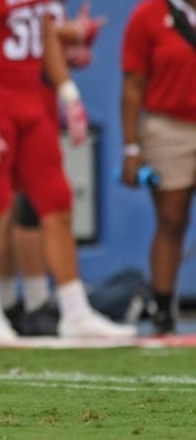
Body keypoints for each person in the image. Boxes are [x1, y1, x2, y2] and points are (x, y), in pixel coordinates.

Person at [0, 0, 136, 339]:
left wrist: (68, 91)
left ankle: (75, 311)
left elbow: (45, 33)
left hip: (31, 97)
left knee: (57, 200)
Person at [0, 0, 106, 336]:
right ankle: (18, 302)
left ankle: (36, 301)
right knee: (11, 205)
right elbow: (10, 32)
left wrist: (68, 51)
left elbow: (41, 40)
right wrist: (66, 34)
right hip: (8, 99)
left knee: (46, 201)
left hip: (40, 101)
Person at [120, 0, 196, 335]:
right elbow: (133, 84)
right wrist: (131, 147)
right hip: (168, 126)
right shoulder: (148, 15)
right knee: (171, 219)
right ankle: (163, 310)